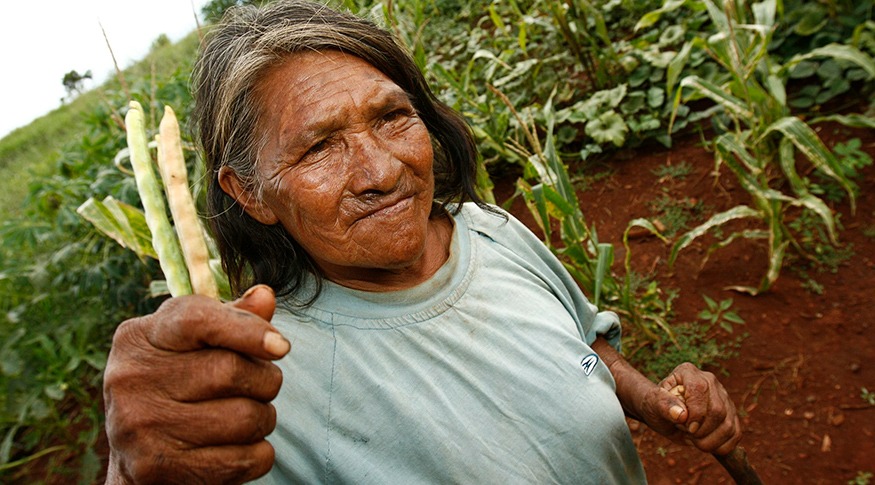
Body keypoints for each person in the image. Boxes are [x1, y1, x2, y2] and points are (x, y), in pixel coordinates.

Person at [102, 1, 742, 483]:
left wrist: (652, 402)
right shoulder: (259, 380)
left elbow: (584, 347)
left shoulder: (491, 232)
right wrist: (130, 476)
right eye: (319, 147)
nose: (382, 172)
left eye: (392, 116)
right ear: (249, 193)